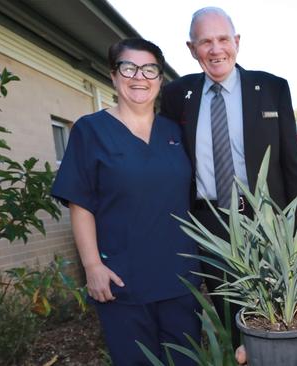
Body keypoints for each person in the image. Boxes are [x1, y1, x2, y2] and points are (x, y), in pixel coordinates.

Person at [160, 6, 297, 346]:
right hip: (208, 223)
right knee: (231, 317)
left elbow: (292, 165)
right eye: (205, 42)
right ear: (191, 48)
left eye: (223, 39)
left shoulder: (272, 87)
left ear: (237, 42)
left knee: (277, 313)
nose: (215, 50)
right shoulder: (176, 96)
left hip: (268, 220)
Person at [51, 38, 201, 365]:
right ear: (113, 76)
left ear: (160, 80)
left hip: (180, 280)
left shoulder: (175, 132)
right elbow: (80, 204)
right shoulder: (90, 131)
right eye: (128, 67)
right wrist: (92, 266)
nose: (139, 77)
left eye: (150, 70)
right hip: (122, 281)